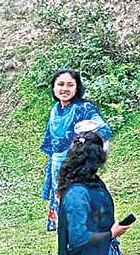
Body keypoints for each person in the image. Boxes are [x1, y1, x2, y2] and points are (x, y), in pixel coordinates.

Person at [39, 69, 111, 232]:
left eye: (70, 85)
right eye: (60, 84)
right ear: (53, 88)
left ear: (77, 88)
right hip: (58, 169)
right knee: (65, 214)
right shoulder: (55, 110)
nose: (65, 89)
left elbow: (103, 129)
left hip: (78, 168)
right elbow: (52, 144)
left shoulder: (84, 108)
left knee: (80, 209)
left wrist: (86, 135)